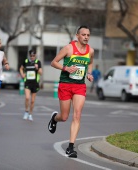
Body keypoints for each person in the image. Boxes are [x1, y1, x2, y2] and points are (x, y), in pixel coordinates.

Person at [48, 26, 94, 158]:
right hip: (65, 84)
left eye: (88, 35)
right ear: (77, 36)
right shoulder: (68, 48)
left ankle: (70, 147)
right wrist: (65, 68)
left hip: (80, 86)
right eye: (83, 34)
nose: (86, 37)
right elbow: (53, 62)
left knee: (77, 115)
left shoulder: (90, 50)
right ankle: (54, 118)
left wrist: (89, 74)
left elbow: (90, 63)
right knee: (64, 116)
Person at [19, 49, 42, 121]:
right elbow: (21, 68)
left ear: (35, 55)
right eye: (31, 55)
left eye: (33, 55)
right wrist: (22, 74)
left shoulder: (38, 62)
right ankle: (26, 111)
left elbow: (41, 73)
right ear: (29, 55)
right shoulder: (26, 61)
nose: (32, 57)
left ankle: (30, 114)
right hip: (27, 82)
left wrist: (37, 68)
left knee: (32, 101)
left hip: (35, 83)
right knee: (27, 98)